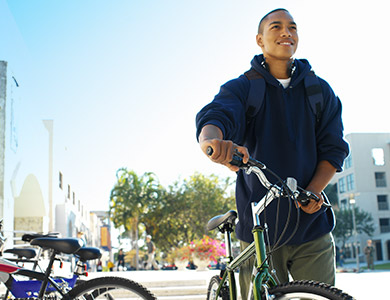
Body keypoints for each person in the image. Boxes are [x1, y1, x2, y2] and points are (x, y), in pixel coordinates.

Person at [195, 8, 349, 299]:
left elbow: (334, 147)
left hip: (311, 229)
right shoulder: (243, 88)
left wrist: (314, 190)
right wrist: (212, 144)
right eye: (275, 27)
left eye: (292, 27)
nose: (286, 32)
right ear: (260, 40)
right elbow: (216, 117)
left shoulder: (319, 92)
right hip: (259, 232)